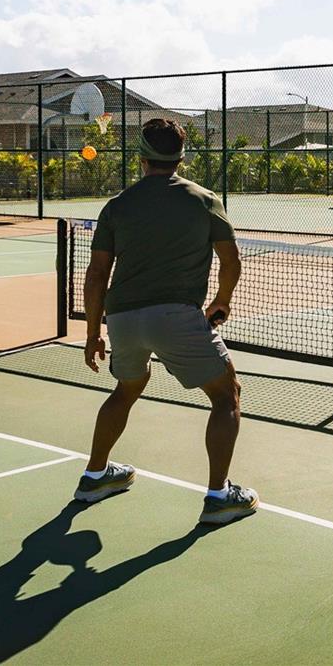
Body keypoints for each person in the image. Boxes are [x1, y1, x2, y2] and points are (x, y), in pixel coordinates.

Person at [75, 118, 257, 526]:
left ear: (141, 158)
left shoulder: (117, 206)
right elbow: (231, 260)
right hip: (176, 315)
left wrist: (91, 333)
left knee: (126, 389)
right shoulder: (204, 200)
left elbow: (96, 274)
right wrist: (222, 301)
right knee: (227, 395)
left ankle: (94, 477)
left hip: (122, 318)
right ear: (181, 156)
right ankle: (219, 496)